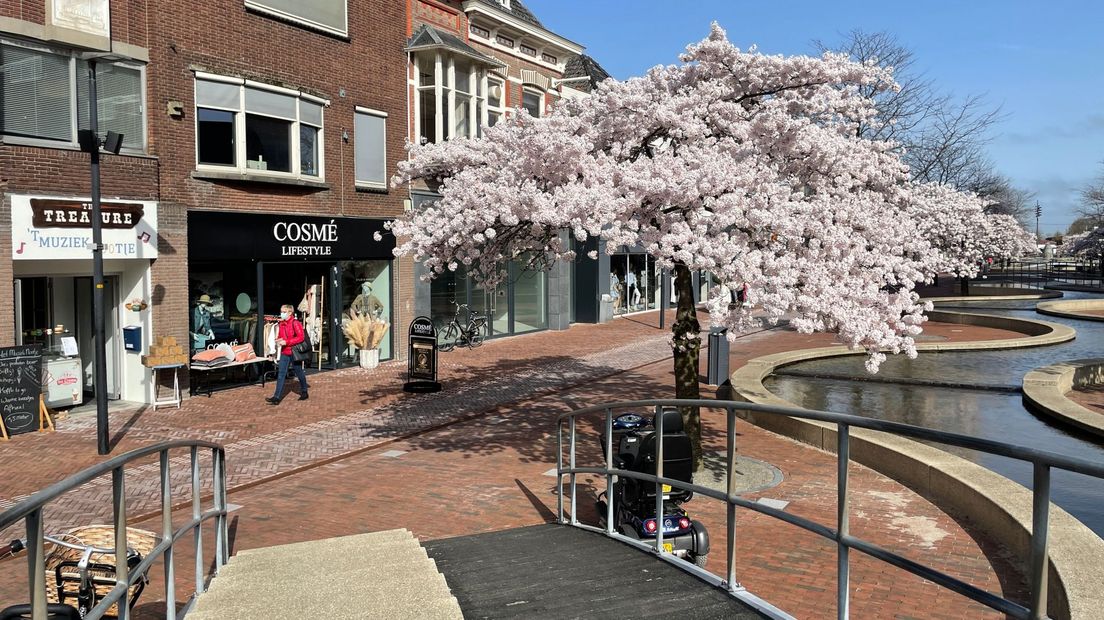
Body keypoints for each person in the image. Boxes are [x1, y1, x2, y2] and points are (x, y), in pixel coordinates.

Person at [266, 304, 309, 404]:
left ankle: (304, 391)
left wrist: (287, 342)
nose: (282, 313)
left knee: (299, 372)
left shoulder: (295, 323)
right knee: (281, 374)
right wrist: (279, 340)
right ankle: (276, 397)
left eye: (284, 312)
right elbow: (282, 336)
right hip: (285, 352)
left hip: (294, 352)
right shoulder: (281, 324)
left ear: (290, 312)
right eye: (281, 311)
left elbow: (301, 337)